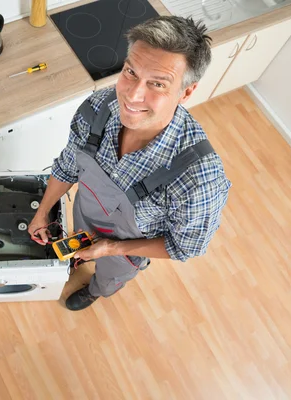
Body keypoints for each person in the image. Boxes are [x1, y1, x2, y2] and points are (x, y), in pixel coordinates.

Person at [28, 16, 232, 311]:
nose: (132, 95)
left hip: (125, 251)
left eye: (157, 84)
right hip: (84, 215)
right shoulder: (98, 108)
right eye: (131, 72)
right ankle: (78, 259)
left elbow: (185, 246)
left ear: (186, 92)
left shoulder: (198, 180)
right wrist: (42, 212)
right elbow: (68, 165)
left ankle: (95, 290)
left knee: (109, 276)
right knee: (77, 244)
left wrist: (110, 248)